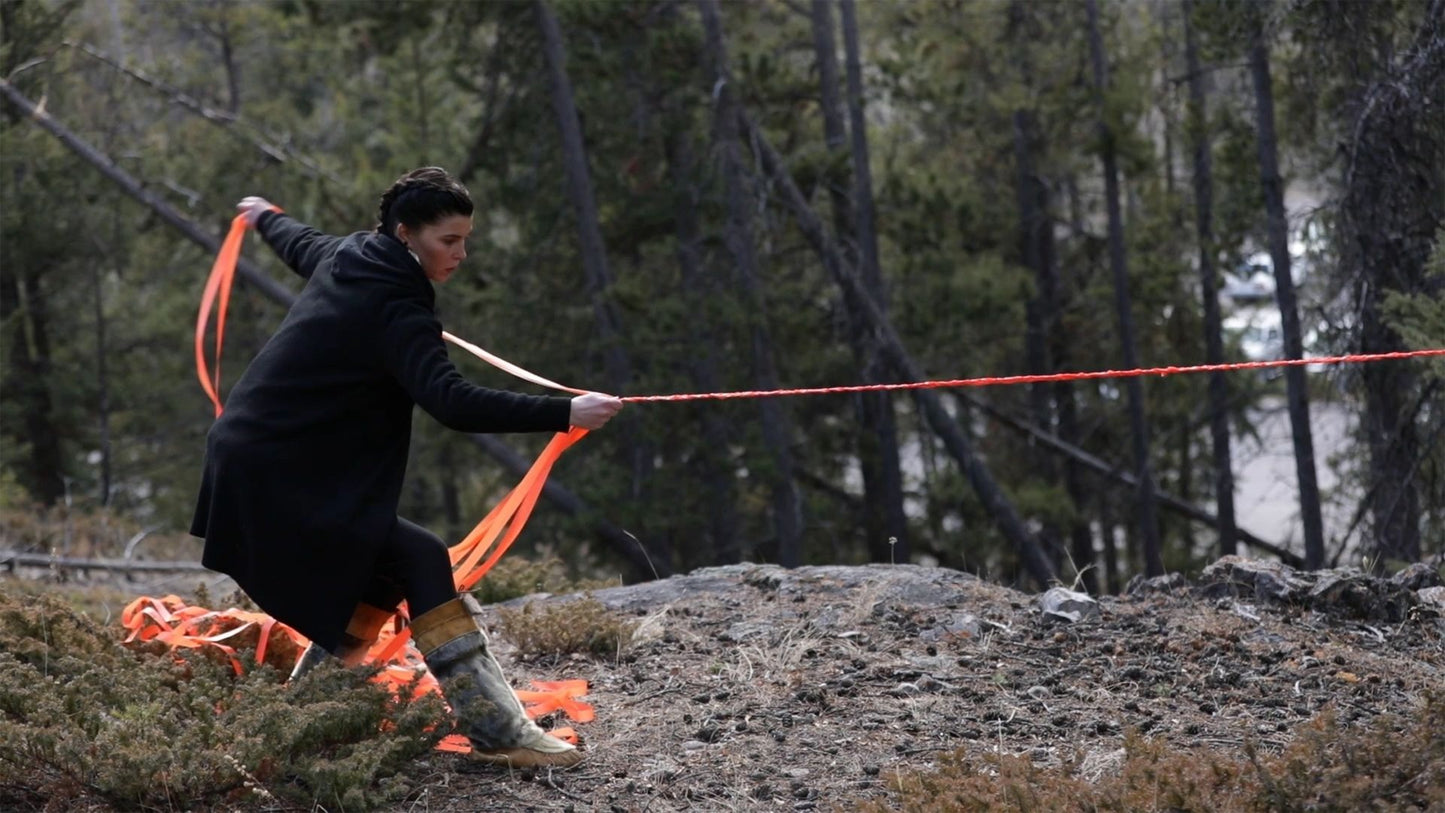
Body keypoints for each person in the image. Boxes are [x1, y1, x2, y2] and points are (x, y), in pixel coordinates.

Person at [190, 167, 621, 768]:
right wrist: (566, 410)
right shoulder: (398, 306)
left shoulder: (353, 255)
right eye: (449, 240)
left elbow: (302, 243)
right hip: (278, 472)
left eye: (466, 239)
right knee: (417, 558)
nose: (461, 254)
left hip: (256, 456)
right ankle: (498, 731)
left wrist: (265, 215)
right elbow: (452, 402)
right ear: (405, 234)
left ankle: (303, 715)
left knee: (389, 567)